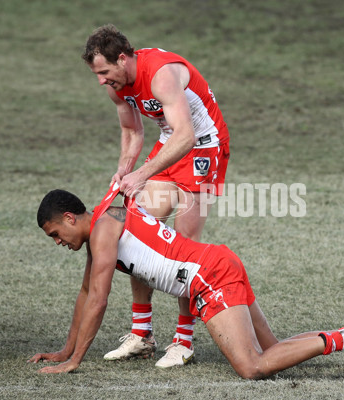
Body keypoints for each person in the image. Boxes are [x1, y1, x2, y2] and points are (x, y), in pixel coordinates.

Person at [28, 188, 344, 382]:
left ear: (69, 217)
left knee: (252, 367)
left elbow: (99, 300)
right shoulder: (102, 227)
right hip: (218, 262)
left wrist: (76, 361)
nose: (58, 242)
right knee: (274, 352)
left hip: (210, 276)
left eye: (55, 234)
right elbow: (85, 294)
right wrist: (64, 350)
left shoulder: (106, 229)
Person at [81, 24, 231, 367]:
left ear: (122, 59)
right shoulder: (116, 85)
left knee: (185, 244)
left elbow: (188, 136)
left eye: (104, 72)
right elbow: (132, 131)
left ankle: (184, 340)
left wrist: (142, 174)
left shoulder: (161, 75)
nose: (101, 80)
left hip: (203, 146)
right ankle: (142, 334)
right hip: (171, 144)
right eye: (96, 74)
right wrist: (124, 170)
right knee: (140, 232)